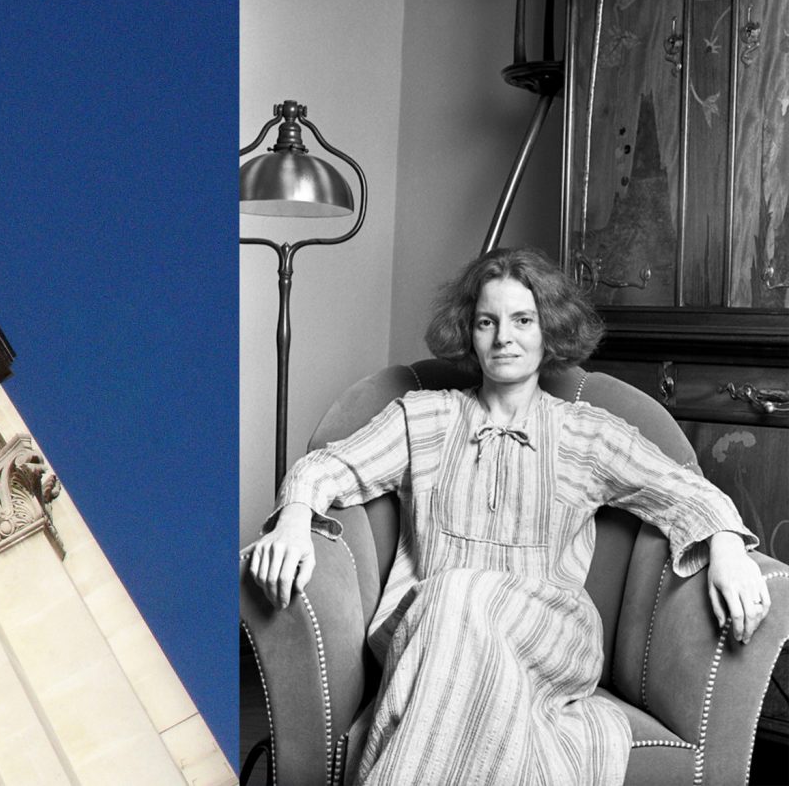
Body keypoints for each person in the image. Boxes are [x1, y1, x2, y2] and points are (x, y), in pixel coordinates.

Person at [244, 247, 771, 785]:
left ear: (551, 330)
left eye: (523, 321)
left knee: (460, 591)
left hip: (552, 632)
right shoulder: (423, 417)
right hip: (433, 625)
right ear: (468, 332)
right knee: (454, 595)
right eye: (486, 322)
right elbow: (328, 466)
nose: (504, 338)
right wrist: (292, 521)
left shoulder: (585, 433)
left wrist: (727, 546)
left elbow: (683, 489)